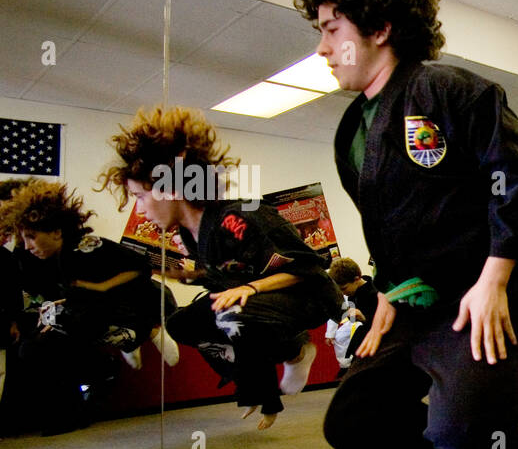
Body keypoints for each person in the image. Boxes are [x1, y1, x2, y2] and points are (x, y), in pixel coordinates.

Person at [292, 0, 518, 449]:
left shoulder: (451, 91)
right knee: (352, 423)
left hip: (483, 296)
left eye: (332, 29)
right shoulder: (350, 135)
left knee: (461, 425)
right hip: (415, 301)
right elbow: (392, 228)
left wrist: (495, 280)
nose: (322, 48)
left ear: (380, 27)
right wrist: (386, 289)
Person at [100, 106, 341, 430]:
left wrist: (249, 288)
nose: (140, 211)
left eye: (140, 197)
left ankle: (297, 351)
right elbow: (230, 273)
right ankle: (254, 378)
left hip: (307, 295)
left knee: (233, 310)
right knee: (183, 323)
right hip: (257, 304)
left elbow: (309, 266)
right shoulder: (190, 233)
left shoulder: (237, 218)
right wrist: (193, 275)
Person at [0, 179, 176, 434]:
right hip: (82, 308)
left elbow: (141, 266)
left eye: (31, 237)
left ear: (56, 232)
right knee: (33, 345)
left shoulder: (88, 247)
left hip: (136, 301)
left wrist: (101, 288)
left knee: (68, 324)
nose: (27, 244)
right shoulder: (26, 256)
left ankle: (140, 333)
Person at [326, 256, 379, 364]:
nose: (343, 293)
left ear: (356, 279)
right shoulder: (352, 295)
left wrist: (364, 318)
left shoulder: (375, 293)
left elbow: (383, 324)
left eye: (344, 288)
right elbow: (353, 320)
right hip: (364, 336)